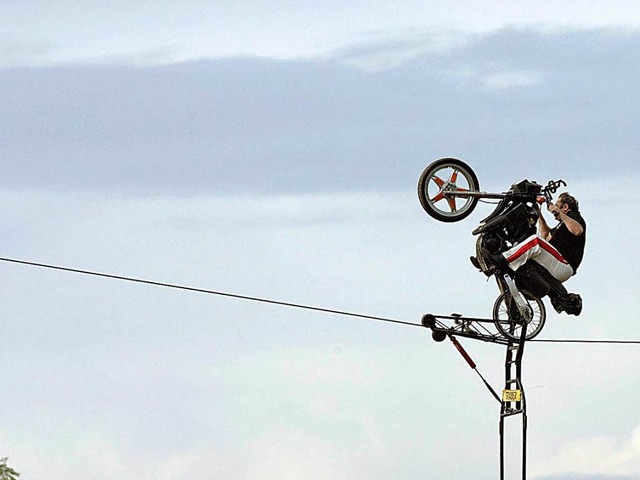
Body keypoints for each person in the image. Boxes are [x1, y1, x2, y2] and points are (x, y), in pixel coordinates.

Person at [499, 192, 586, 315]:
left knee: (535, 242)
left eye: (558, 205)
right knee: (530, 250)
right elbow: (545, 235)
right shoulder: (561, 226)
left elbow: (577, 230)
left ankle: (503, 259)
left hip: (565, 266)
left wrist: (557, 212)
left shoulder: (574, 217)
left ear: (565, 207)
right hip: (556, 264)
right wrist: (538, 212)